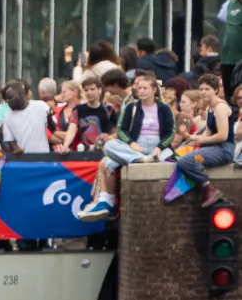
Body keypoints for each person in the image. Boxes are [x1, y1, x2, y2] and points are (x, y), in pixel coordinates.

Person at [79, 72, 176, 219]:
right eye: (139, 88)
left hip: (158, 147)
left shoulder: (164, 108)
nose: (141, 91)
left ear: (154, 90)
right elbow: (121, 129)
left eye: (145, 88)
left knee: (108, 162)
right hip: (136, 147)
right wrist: (132, 143)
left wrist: (159, 147)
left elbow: (170, 133)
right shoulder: (132, 107)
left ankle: (107, 201)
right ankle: (106, 202)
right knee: (109, 148)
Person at [174, 73, 232, 205]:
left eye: (207, 89)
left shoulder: (220, 108)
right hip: (213, 149)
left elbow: (223, 135)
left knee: (186, 161)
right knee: (180, 156)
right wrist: (190, 137)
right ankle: (207, 189)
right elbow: (207, 133)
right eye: (201, 89)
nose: (203, 92)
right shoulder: (211, 108)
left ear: (216, 90)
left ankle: (209, 188)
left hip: (223, 151)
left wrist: (201, 141)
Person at [0, 81, 51, 154]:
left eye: (10, 97)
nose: (8, 101)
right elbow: (10, 140)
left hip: (43, 157)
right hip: (23, 159)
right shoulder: (8, 115)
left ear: (21, 94)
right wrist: (17, 150)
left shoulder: (41, 106)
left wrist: (50, 118)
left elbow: (53, 129)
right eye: (6, 99)